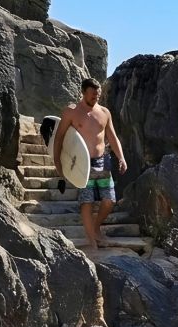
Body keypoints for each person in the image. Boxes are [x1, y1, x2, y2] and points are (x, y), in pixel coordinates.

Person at [53, 77, 127, 254]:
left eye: (98, 95)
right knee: (87, 201)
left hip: (103, 162)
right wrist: (58, 163)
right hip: (82, 164)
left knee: (109, 201)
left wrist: (121, 158)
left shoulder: (104, 112)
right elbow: (59, 138)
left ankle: (95, 227)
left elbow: (113, 137)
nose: (96, 98)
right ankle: (91, 239)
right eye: (93, 95)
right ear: (83, 92)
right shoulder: (71, 112)